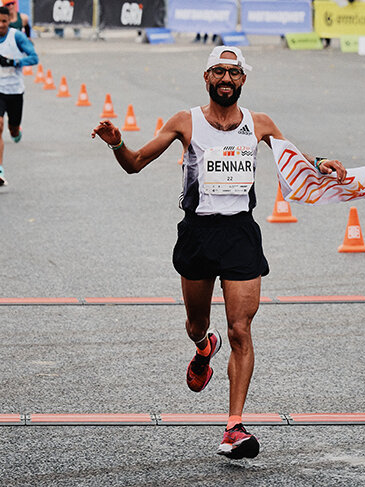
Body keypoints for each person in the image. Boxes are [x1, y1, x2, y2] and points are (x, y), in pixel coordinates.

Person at [92, 46, 345, 458]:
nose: (226, 80)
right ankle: (202, 347)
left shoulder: (259, 124)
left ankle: (234, 427)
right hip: (198, 233)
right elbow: (135, 163)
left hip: (240, 233)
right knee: (196, 323)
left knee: (241, 329)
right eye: (218, 73)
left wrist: (321, 162)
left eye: (234, 73)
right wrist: (117, 143)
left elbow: (294, 159)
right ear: (206, 78)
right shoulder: (185, 122)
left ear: (243, 79)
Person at [0, 6, 38, 186]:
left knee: (12, 129)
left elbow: (34, 57)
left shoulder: (17, 37)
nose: (1, 24)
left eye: (4, 21)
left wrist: (14, 62)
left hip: (15, 92)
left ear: (9, 21)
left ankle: (16, 130)